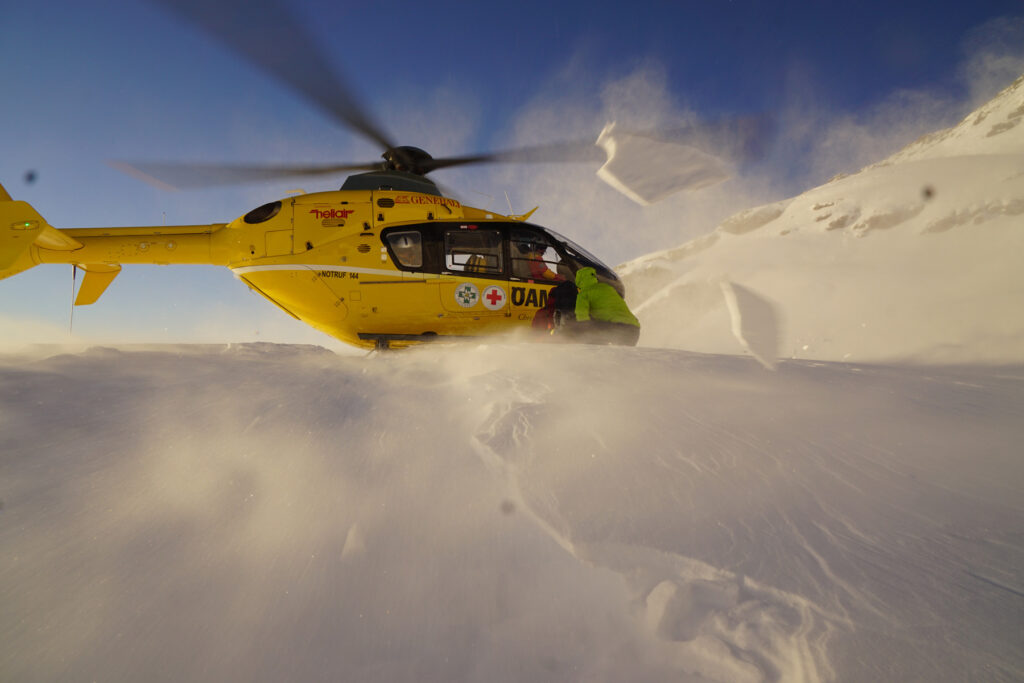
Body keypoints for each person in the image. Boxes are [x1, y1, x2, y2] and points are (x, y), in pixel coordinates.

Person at [572, 267, 641, 346]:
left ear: (578, 279)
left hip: (615, 327)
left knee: (588, 337)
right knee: (623, 355)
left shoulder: (584, 293)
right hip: (634, 329)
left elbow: (581, 315)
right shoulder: (607, 288)